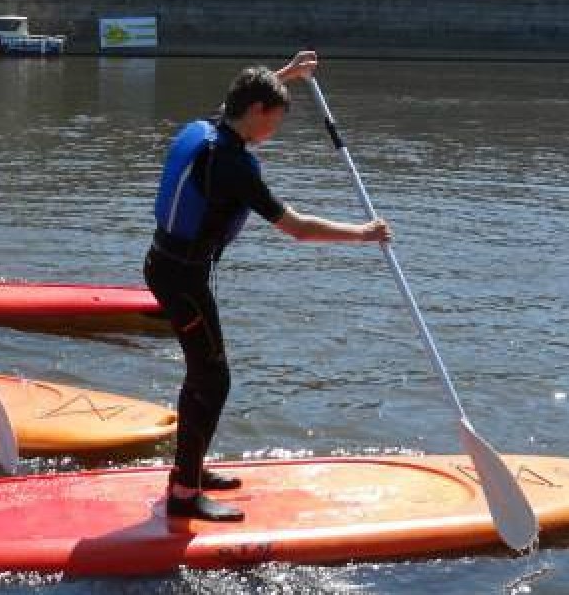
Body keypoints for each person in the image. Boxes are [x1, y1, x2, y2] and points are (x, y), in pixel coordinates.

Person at [146, 51, 390, 521]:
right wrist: (364, 233)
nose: (273, 132)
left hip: (167, 266)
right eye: (273, 120)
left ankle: (189, 472)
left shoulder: (208, 128)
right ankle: (183, 493)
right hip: (182, 278)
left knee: (205, 375)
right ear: (257, 112)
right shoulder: (234, 167)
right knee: (212, 379)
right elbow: (297, 228)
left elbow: (243, 96)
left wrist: (286, 78)